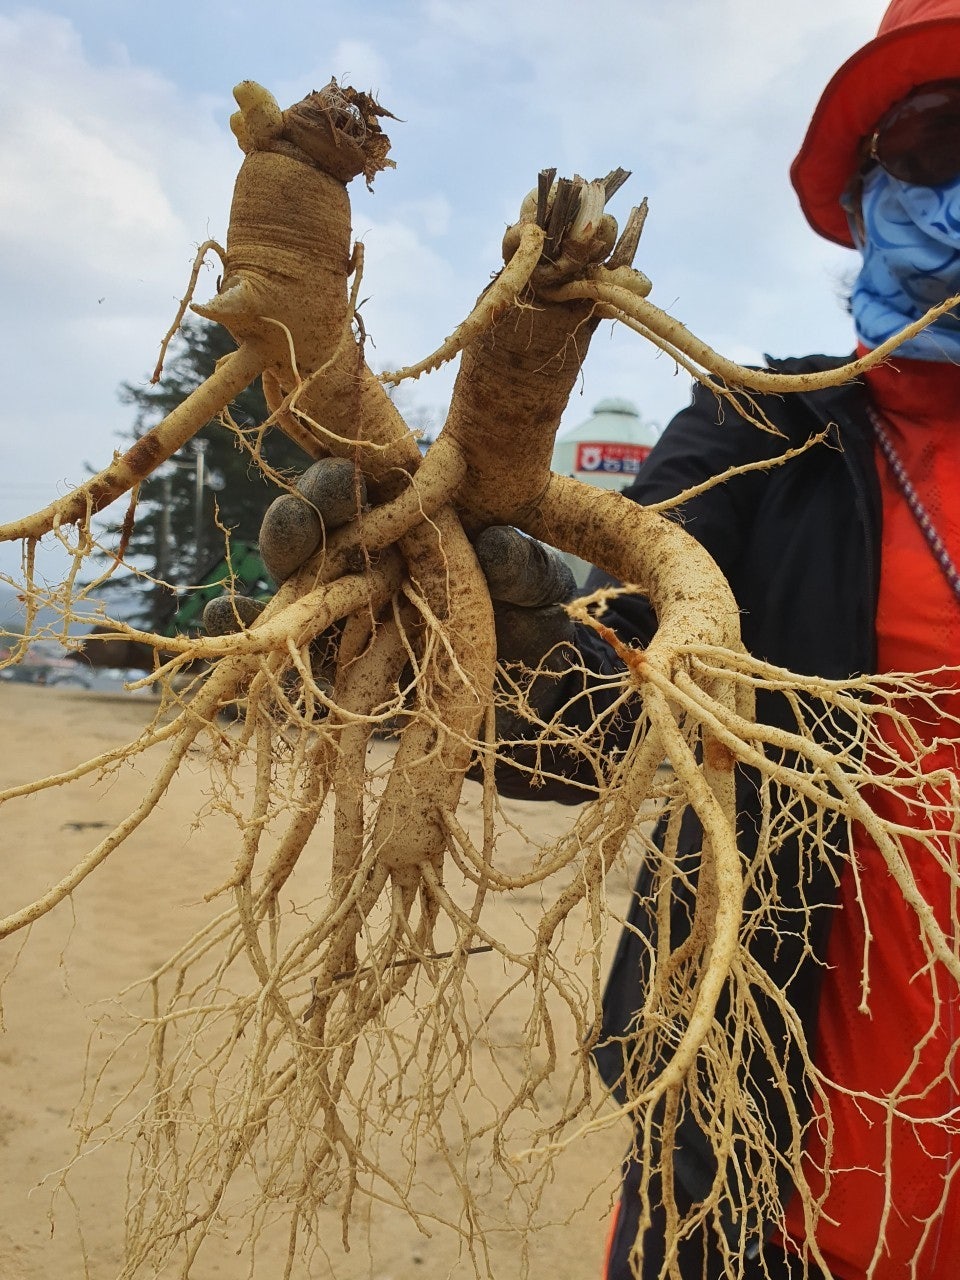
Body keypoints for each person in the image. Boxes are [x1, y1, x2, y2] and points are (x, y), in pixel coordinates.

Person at [215, 2, 960, 1274]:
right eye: (938, 147)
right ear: (866, 183)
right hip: (759, 1164)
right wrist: (443, 633)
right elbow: (596, 705)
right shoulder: (756, 435)